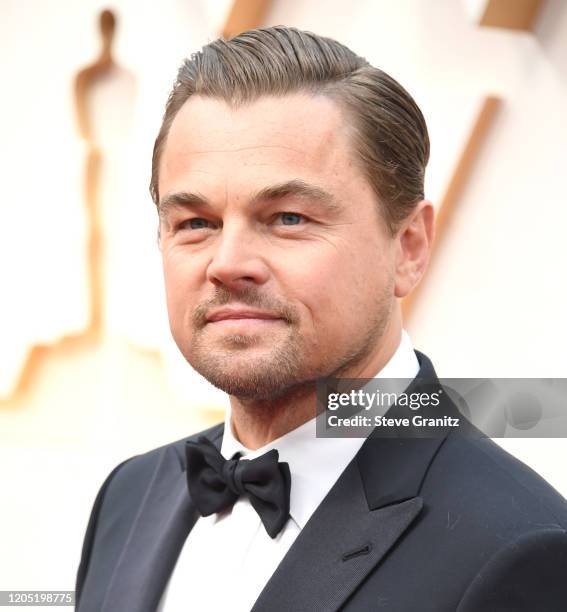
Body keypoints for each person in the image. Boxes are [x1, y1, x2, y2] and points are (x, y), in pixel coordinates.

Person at [75, 26, 567, 611]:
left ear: (407, 247)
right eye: (195, 223)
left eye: (287, 218)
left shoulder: (521, 548)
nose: (229, 264)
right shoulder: (129, 496)